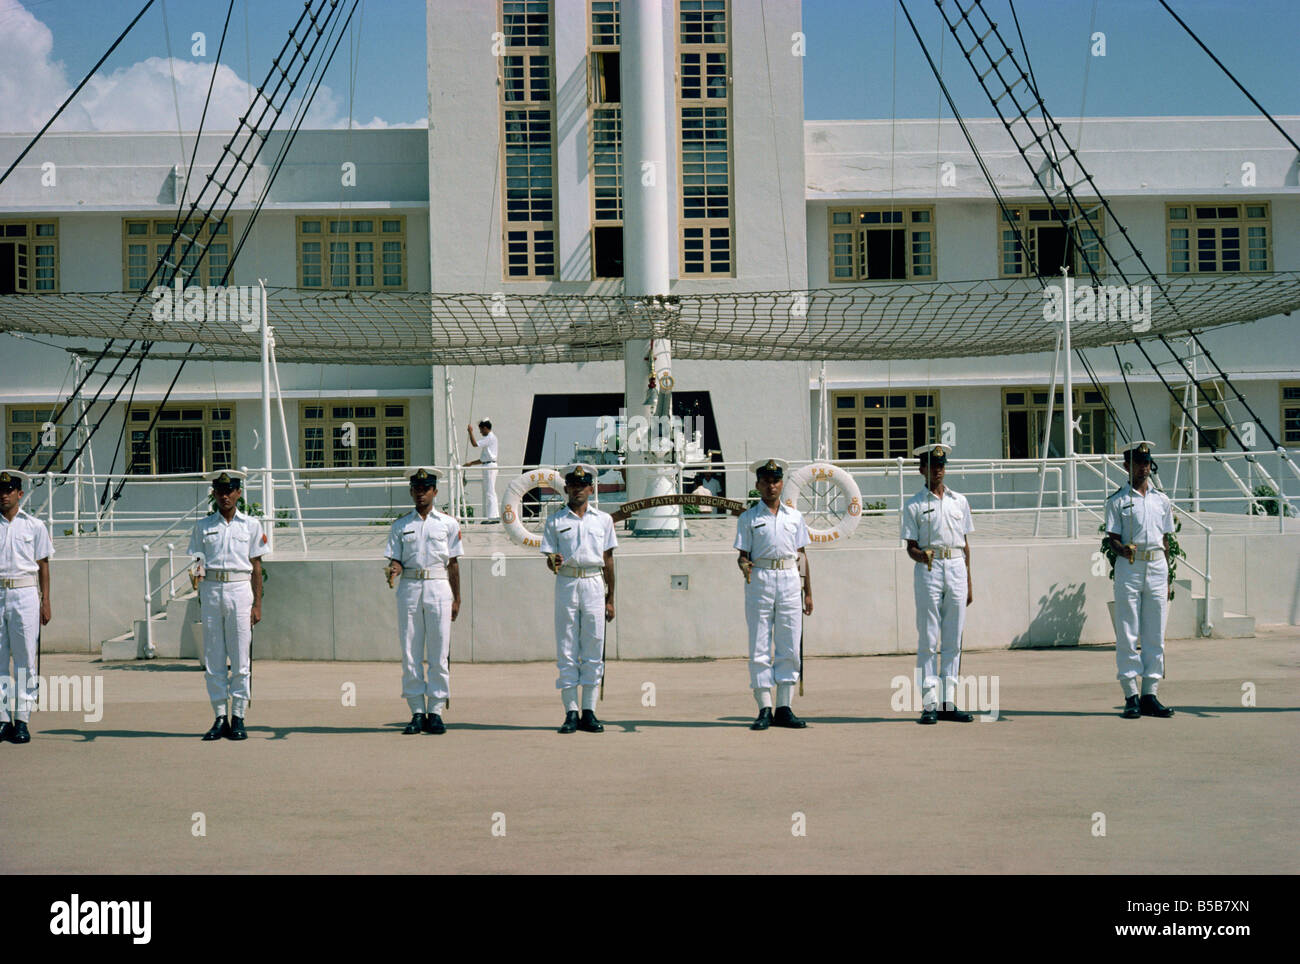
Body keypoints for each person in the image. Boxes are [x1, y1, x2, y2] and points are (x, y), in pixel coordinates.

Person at [733, 458, 813, 731]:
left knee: (789, 641)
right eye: (766, 481)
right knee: (759, 643)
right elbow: (742, 555)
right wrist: (744, 565)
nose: (771, 486)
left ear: (782, 484)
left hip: (790, 578)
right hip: (761, 578)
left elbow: (802, 556)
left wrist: (808, 593)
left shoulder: (795, 517)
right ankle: (764, 706)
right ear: (757, 485)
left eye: (776, 481)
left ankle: (784, 707)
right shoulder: (749, 518)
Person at [187, 470, 265, 742]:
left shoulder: (251, 525)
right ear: (214, 494)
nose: (225, 496)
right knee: (214, 656)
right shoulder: (202, 526)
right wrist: (196, 577)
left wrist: (257, 604)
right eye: (220, 491)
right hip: (211, 591)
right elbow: (197, 560)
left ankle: (239, 715)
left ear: (238, 493)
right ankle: (220, 715)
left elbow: (257, 567)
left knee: (241, 657)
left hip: (240, 589)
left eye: (230, 490)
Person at [384, 467, 463, 735]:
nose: (421, 493)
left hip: (439, 586)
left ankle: (437, 711)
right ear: (411, 492)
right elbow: (395, 557)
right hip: (409, 587)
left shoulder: (449, 524)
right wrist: (394, 568)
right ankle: (417, 711)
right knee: (410, 651)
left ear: (435, 492)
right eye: (416, 489)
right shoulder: (400, 525)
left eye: (426, 489)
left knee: (439, 651)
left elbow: (453, 563)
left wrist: (457, 597)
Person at [539, 463, 616, 734]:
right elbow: (550, 560)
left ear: (590, 488)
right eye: (573, 485)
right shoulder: (555, 521)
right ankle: (571, 711)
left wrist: (611, 598)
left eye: (583, 486)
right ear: (566, 488)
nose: (578, 490)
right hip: (567, 582)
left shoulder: (603, 520)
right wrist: (553, 561)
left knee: (594, 645)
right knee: (568, 646)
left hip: (594, 582)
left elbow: (608, 560)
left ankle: (590, 711)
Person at [901, 443, 974, 725]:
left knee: (954, 638)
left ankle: (948, 700)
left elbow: (966, 544)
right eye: (932, 466)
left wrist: (969, 580)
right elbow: (910, 546)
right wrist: (920, 555)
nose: (938, 470)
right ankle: (930, 702)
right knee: (929, 638)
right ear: (922, 469)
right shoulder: (914, 504)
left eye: (941, 466)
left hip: (956, 565)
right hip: (929, 568)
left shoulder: (960, 501)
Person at [1105, 440, 1176, 720]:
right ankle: (1130, 695)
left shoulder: (1162, 500)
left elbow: (1166, 539)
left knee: (1155, 632)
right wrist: (1122, 550)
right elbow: (1112, 538)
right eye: (1137, 463)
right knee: (1128, 631)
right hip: (1130, 568)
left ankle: (1150, 693)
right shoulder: (1118, 501)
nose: (1143, 468)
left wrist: (1167, 572)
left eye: (1146, 463)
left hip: (1157, 566)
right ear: (1127, 466)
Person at [0, 470, 52, 745]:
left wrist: (46, 600)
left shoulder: (34, 526)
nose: (3, 495)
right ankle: (1, 719)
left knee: (25, 659)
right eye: (0, 490)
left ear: (20, 494)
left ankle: (22, 719)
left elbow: (43, 565)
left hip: (25, 593)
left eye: (9, 490)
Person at [464, 418, 500, 522]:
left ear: (485, 428)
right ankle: (493, 516)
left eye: (481, 430)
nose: (480, 432)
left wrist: (470, 432)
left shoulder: (489, 437)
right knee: (490, 491)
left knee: (490, 491)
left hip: (490, 467)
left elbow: (475, 444)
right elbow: (484, 459)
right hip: (488, 465)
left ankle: (492, 517)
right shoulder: (490, 438)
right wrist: (471, 463)